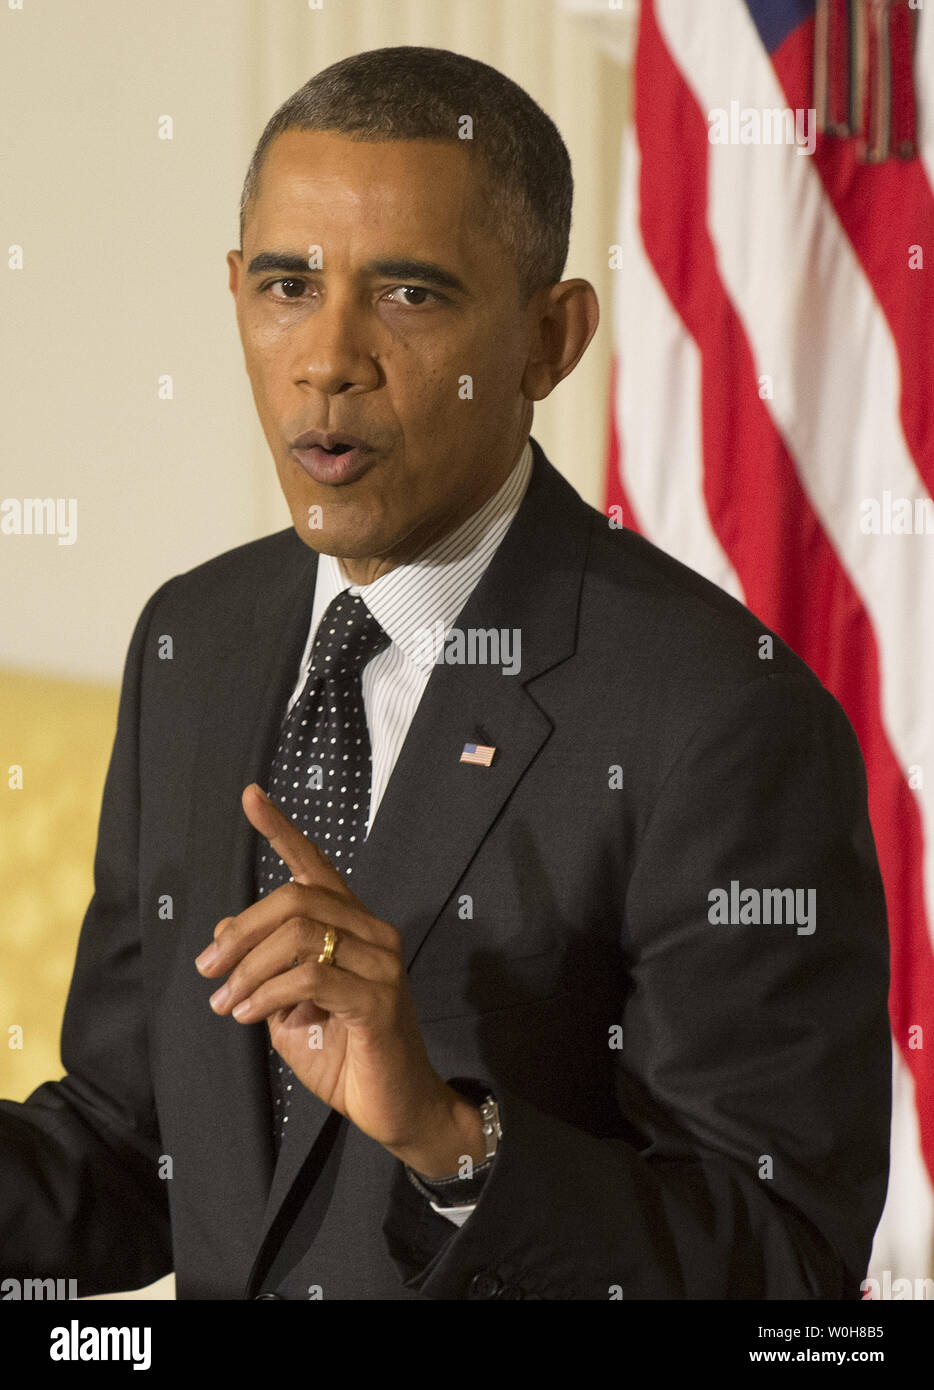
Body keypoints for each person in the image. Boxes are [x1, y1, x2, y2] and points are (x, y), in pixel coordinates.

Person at [0, 46, 890, 1301]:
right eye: (287, 285)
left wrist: (446, 1137)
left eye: (408, 295)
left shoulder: (721, 719)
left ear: (549, 338)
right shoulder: (192, 639)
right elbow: (130, 1145)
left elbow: (785, 1273)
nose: (328, 358)